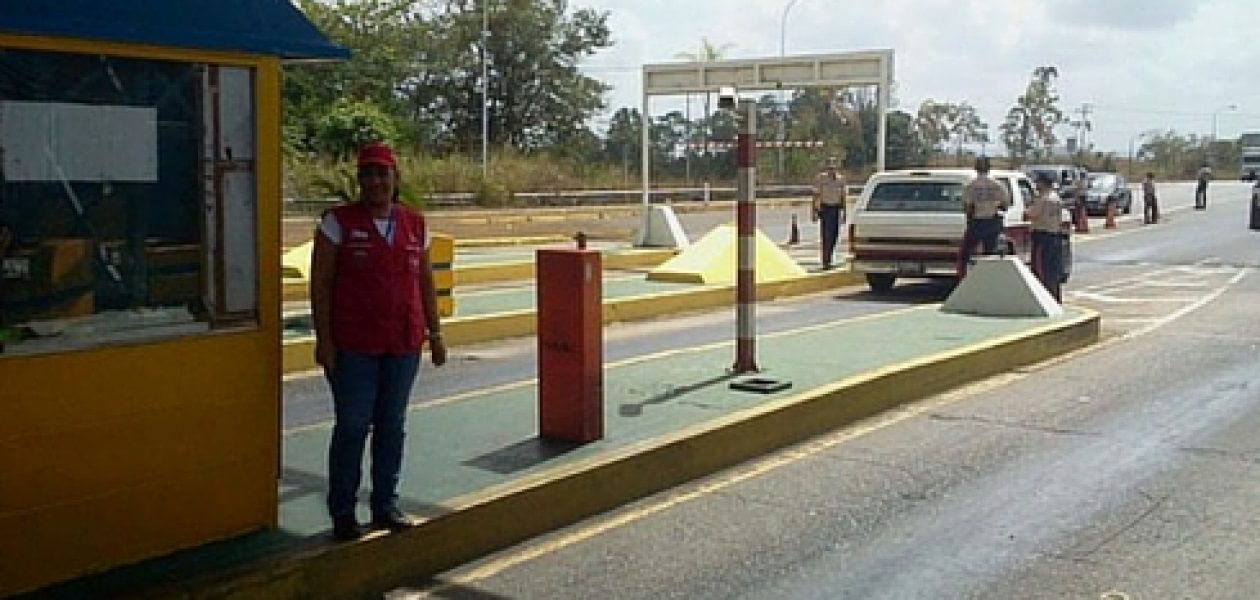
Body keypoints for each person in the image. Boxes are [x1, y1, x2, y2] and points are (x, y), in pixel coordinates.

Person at [310, 142, 447, 541]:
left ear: (395, 179)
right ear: (360, 181)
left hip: (403, 343)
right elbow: (321, 284)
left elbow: (425, 281)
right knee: (353, 426)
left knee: (392, 426)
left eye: (381, 174)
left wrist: (435, 334)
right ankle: (343, 512)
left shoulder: (415, 225)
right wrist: (325, 341)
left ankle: (385, 504)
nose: (375, 182)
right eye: (367, 175)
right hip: (354, 346)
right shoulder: (337, 224)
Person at [958, 156, 1010, 277]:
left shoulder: (971, 186)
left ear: (975, 168)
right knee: (991, 254)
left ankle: (963, 279)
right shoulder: (998, 185)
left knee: (965, 254)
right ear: (989, 168)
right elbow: (1005, 205)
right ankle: (991, 277)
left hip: (977, 222)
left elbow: (967, 207)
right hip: (993, 222)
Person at [1025, 171, 1065, 301]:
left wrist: (1026, 210)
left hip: (1042, 237)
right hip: (1055, 236)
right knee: (1053, 271)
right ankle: (1055, 297)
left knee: (1040, 269)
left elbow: (1031, 214)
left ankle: (1044, 299)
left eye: (1038, 182)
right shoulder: (1056, 198)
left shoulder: (1043, 199)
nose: (1036, 184)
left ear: (1043, 183)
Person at [811, 156, 847, 269]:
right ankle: (826, 261)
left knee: (835, 235)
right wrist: (814, 211)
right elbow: (816, 195)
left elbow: (843, 196)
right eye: (829, 167)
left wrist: (845, 212)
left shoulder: (841, 180)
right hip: (825, 209)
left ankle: (829, 256)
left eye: (833, 167)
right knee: (826, 236)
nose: (832, 170)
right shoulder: (821, 178)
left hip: (836, 209)